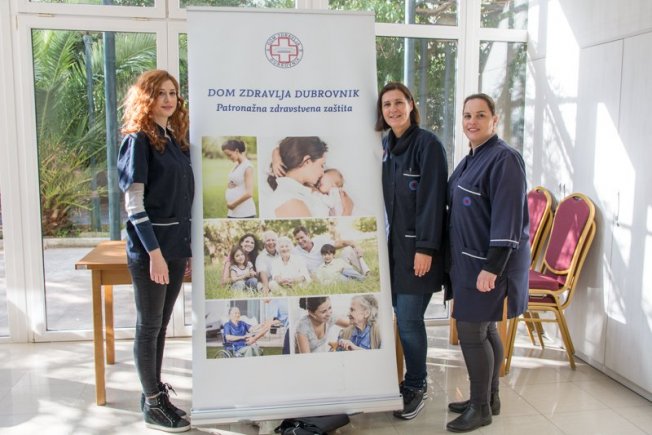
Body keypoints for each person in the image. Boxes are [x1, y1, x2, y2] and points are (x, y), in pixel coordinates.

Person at [445, 93, 529, 433]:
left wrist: (492, 268)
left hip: (487, 264)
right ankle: (489, 398)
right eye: (467, 115)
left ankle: (479, 408)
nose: (472, 121)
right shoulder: (473, 157)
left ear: (495, 120)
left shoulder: (504, 159)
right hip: (468, 260)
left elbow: (509, 219)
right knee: (486, 328)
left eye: (480, 115)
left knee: (471, 331)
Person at [117, 69, 192, 432]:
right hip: (153, 251)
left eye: (172, 93)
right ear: (146, 98)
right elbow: (134, 203)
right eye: (160, 93)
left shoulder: (173, 139)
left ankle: (154, 395)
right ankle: (152, 403)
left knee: (160, 325)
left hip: (175, 248)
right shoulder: (138, 140)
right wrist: (155, 254)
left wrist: (182, 251)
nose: (167, 99)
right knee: (148, 326)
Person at [376, 82, 448, 420]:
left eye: (398, 102)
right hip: (391, 250)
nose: (393, 109)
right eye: (386, 104)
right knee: (398, 317)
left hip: (418, 251)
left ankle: (417, 384)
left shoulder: (428, 145)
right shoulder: (385, 145)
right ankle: (404, 381)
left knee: (408, 320)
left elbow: (433, 201)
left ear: (411, 104)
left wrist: (426, 248)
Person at [267, 136, 353, 217]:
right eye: (322, 165)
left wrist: (276, 154)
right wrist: (347, 211)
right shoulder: (290, 200)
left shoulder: (303, 190)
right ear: (307, 161)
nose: (323, 173)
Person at [292, 225, 369, 277]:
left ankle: (366, 273)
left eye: (302, 237)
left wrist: (356, 245)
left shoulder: (320, 240)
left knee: (348, 250)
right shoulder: (295, 252)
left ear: (308, 235)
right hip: (320, 276)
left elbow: (340, 243)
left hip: (333, 267)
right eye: (297, 239)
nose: (300, 241)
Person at [222, 139, 256, 218]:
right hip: (233, 212)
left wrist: (233, 204)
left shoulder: (247, 167)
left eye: (229, 155)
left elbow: (249, 193)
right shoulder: (237, 165)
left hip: (244, 212)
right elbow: (237, 181)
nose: (229, 158)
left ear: (236, 151)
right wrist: (230, 185)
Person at [255, 230, 281, 297]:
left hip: (281, 280)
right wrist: (266, 288)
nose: (271, 242)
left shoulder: (281, 253)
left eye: (273, 240)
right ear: (264, 243)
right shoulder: (261, 257)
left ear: (276, 242)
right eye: (268, 240)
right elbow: (262, 273)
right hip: (268, 282)